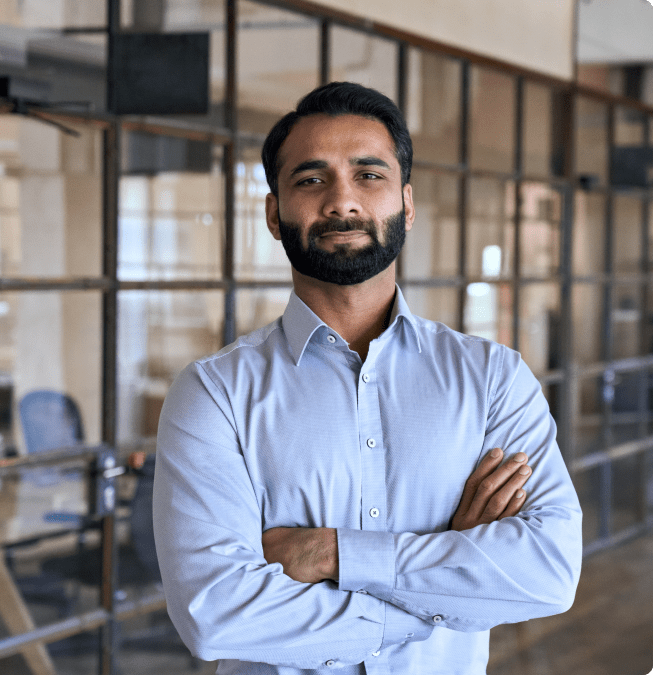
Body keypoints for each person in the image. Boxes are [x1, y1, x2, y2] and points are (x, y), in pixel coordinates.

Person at [153, 81, 582, 675]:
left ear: (406, 204)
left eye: (369, 175)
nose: (341, 202)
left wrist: (328, 553)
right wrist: (445, 587)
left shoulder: (493, 380)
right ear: (274, 213)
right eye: (310, 179)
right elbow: (215, 614)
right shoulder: (214, 394)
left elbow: (548, 574)